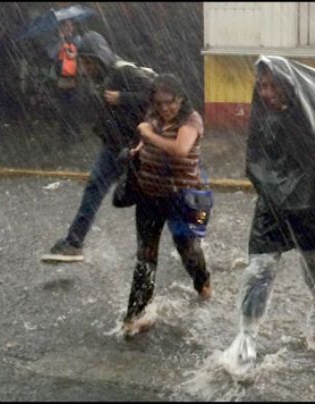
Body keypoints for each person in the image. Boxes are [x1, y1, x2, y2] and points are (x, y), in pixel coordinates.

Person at [222, 55, 315, 375]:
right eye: (261, 85)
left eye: (272, 85)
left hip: (305, 202)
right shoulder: (262, 114)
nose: (266, 92)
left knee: (313, 263)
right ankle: (246, 338)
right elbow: (258, 157)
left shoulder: (308, 111)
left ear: (287, 84)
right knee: (260, 268)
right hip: (272, 201)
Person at [41, 32, 156, 262]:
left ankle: (184, 236)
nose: (85, 67)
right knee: (95, 188)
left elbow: (155, 95)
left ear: (100, 57)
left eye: (89, 61)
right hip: (113, 147)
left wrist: (123, 97)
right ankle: (74, 242)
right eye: (83, 62)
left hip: (136, 148)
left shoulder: (124, 71)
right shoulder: (100, 77)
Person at [120, 74, 213, 336]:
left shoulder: (191, 120)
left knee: (187, 250)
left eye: (169, 103)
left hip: (182, 198)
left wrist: (147, 135)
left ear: (181, 99)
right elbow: (145, 136)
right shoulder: (153, 115)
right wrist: (139, 146)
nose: (164, 108)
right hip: (149, 197)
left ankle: (202, 279)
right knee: (145, 257)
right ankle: (136, 314)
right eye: (159, 103)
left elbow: (180, 149)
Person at [46, 19, 83, 140]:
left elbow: (80, 52)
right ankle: (65, 131)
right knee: (64, 106)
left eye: (70, 26)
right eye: (66, 26)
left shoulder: (76, 39)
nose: (69, 28)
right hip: (60, 78)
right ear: (60, 28)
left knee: (74, 105)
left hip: (74, 77)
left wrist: (73, 52)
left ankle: (75, 129)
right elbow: (51, 54)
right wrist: (61, 41)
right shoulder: (56, 41)